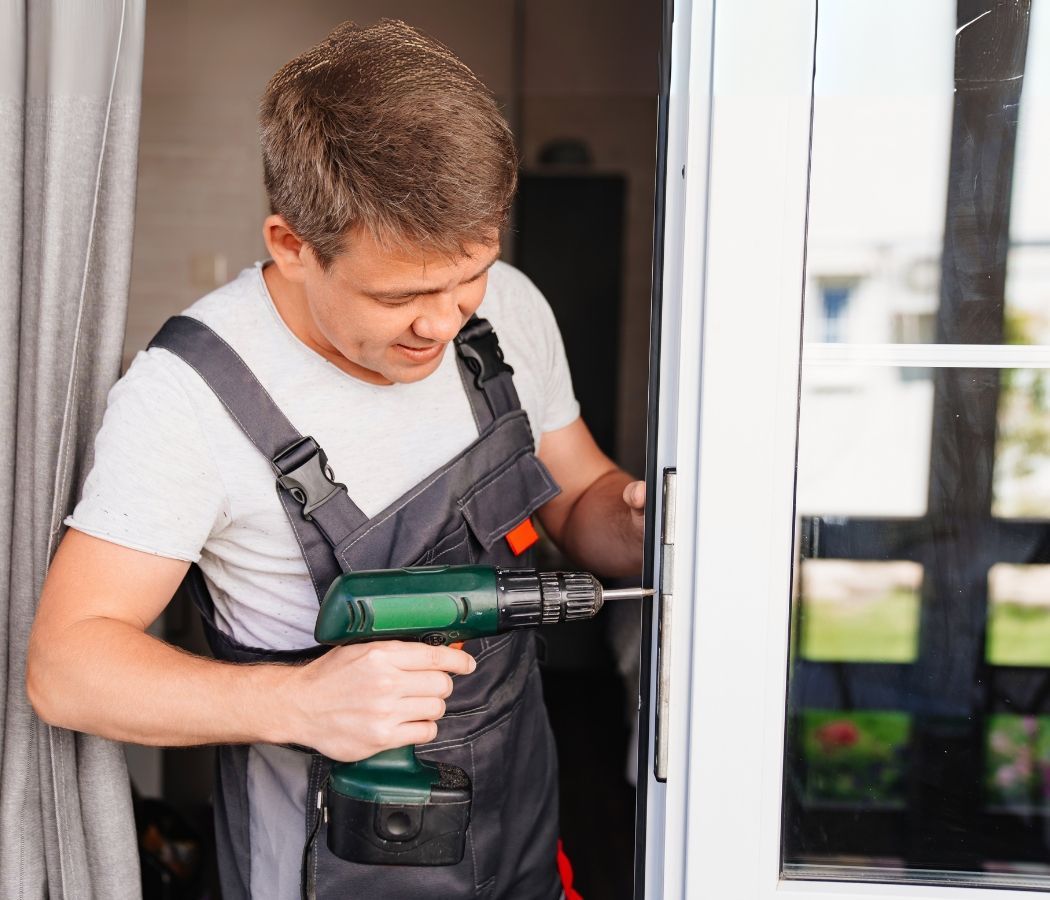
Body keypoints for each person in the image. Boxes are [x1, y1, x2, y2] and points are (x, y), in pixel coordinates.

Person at [27, 19, 644, 900]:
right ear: (290, 244)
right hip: (329, 860)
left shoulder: (505, 307)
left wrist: (635, 514)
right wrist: (300, 703)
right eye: (401, 295)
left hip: (519, 829)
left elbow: (578, 499)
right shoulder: (187, 396)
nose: (443, 320)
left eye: (466, 273)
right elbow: (67, 668)